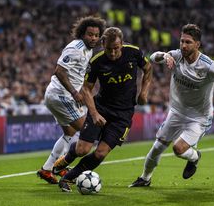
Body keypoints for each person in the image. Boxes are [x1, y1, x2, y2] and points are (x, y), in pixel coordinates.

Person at [129, 24, 214, 187]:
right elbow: (152, 57)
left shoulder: (208, 66)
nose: (183, 45)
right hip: (176, 112)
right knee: (157, 146)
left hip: (199, 117)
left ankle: (195, 157)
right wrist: (164, 55)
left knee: (178, 149)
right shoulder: (175, 55)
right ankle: (145, 178)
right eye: (181, 41)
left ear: (197, 44)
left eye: (188, 42)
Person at [52, 27, 152, 192]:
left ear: (122, 44)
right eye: (109, 49)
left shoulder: (134, 53)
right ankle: (66, 159)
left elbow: (148, 69)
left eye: (116, 48)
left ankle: (67, 178)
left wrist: (144, 92)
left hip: (123, 115)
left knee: (100, 153)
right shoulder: (97, 61)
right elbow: (86, 89)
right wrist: (94, 113)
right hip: (101, 108)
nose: (112, 53)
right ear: (103, 44)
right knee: (82, 149)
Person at [36, 16, 106, 184]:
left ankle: (47, 169)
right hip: (61, 95)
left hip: (60, 96)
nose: (94, 38)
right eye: (90, 34)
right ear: (82, 33)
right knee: (87, 131)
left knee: (70, 133)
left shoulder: (89, 51)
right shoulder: (75, 47)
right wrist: (75, 92)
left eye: (96, 35)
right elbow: (59, 71)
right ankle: (61, 168)